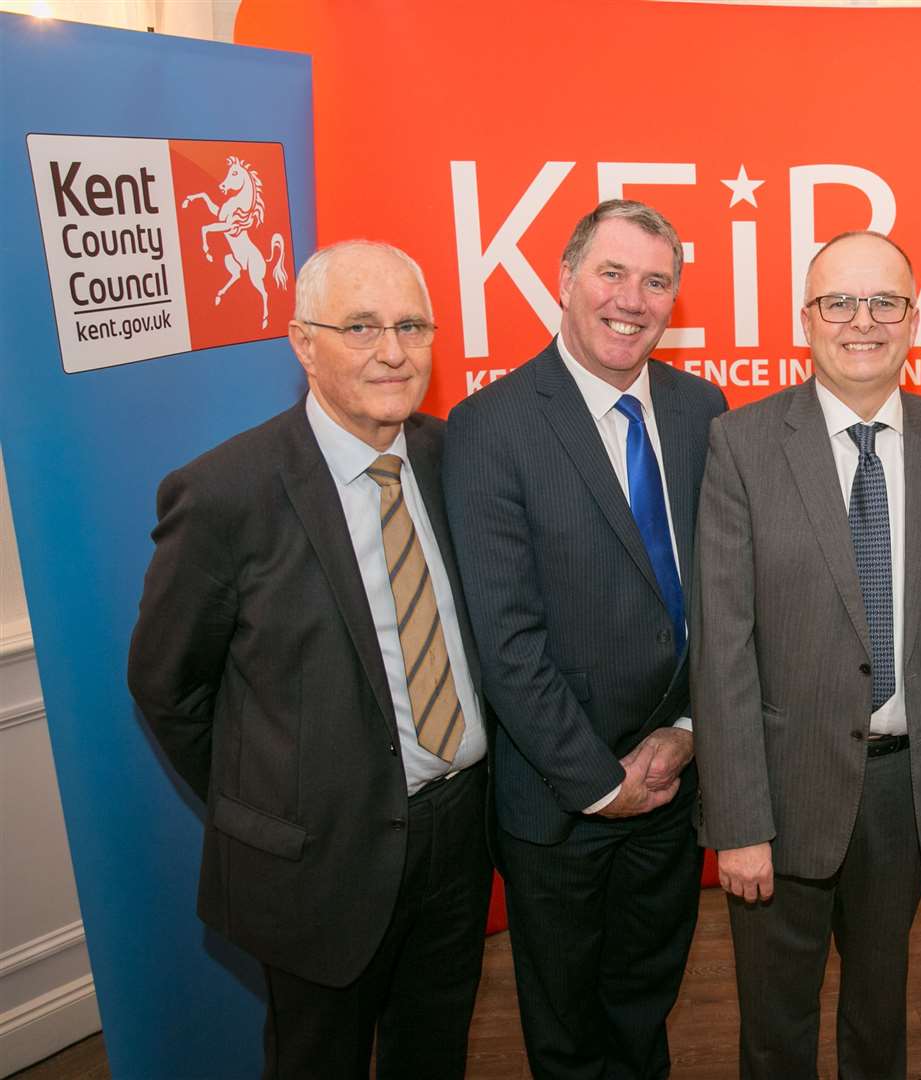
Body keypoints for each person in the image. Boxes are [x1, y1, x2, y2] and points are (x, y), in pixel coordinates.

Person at [128, 240, 492, 1078]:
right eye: (360, 327)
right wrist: (278, 796)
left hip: (459, 836)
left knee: (433, 1053)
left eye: (411, 325)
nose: (393, 352)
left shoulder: (453, 457)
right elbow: (166, 684)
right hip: (316, 861)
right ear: (302, 342)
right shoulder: (225, 493)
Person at [692, 230, 921, 1080]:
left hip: (908, 793)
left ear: (916, 318)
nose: (862, 321)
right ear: (805, 319)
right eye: (838, 301)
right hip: (782, 790)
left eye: (885, 302)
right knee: (775, 1029)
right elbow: (722, 649)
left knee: (880, 1022)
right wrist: (737, 822)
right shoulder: (743, 445)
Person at [443, 200, 726, 1080]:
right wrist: (603, 784)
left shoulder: (701, 409)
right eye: (612, 273)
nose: (631, 299)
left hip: (673, 780)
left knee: (645, 1003)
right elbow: (505, 638)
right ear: (565, 281)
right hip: (562, 800)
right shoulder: (490, 426)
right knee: (566, 1031)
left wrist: (682, 737)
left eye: (655, 281)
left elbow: (723, 597)